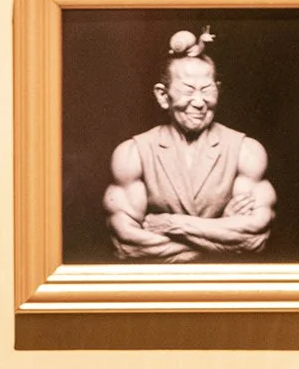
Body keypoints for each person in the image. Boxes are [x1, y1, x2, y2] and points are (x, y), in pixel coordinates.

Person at [105, 27, 275, 262]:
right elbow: (127, 245)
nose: (199, 102)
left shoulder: (246, 151)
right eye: (188, 90)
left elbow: (254, 239)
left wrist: (175, 225)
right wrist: (220, 229)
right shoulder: (132, 153)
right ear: (163, 96)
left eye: (206, 89)